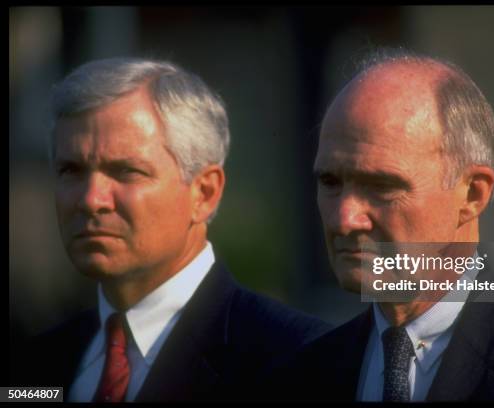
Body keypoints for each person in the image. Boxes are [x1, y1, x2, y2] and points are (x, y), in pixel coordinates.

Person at [265, 49, 494, 401]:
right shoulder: (294, 377)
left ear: (472, 194)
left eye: (382, 186)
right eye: (331, 182)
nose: (344, 219)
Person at [10, 58, 330, 402]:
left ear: (204, 193)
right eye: (71, 170)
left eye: (126, 171)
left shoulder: (298, 360)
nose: (91, 199)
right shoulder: (30, 365)